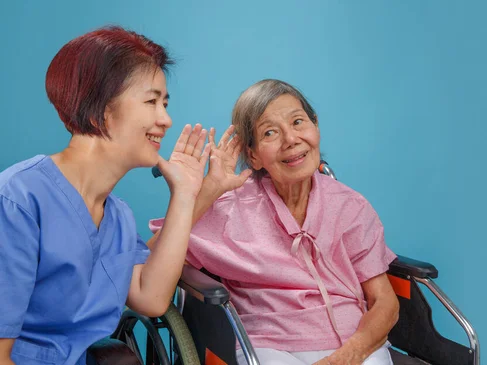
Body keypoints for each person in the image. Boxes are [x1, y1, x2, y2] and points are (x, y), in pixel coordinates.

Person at [0, 26, 239, 365]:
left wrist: (186, 194)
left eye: (165, 103)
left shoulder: (117, 216)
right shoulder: (18, 200)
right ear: (102, 110)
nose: (166, 119)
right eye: (152, 101)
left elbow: (151, 297)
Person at [149, 79, 400, 365]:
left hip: (354, 344)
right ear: (253, 155)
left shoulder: (350, 206)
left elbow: (385, 302)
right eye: (270, 132)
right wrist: (209, 192)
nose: (291, 139)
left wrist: (347, 356)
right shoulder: (231, 210)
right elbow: (149, 261)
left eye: (298, 122)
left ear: (315, 126)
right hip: (270, 347)